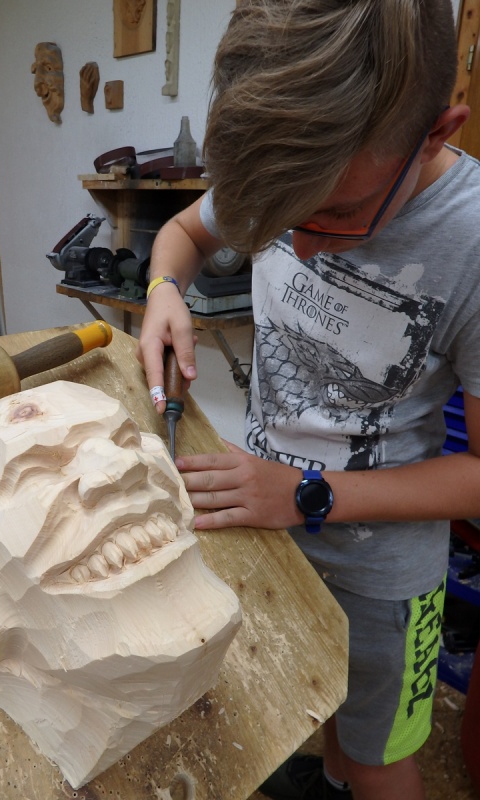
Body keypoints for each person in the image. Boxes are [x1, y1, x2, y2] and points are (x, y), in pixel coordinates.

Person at [136, 2, 480, 799]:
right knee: (310, 699)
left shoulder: (469, 239)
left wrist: (306, 493)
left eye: (338, 216)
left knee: (376, 758)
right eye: (283, 220)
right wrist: (162, 290)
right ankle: (327, 779)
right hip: (270, 526)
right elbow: (184, 234)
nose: (301, 241)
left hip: (381, 574)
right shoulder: (293, 170)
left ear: (437, 133)